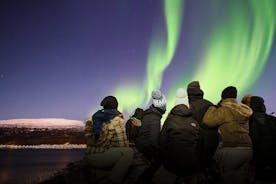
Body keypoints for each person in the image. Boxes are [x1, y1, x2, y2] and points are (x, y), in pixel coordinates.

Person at [203, 86, 253, 184]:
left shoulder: (224, 110)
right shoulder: (243, 111)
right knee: (241, 177)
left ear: (223, 97)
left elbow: (207, 121)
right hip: (248, 149)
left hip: (231, 149)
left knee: (227, 178)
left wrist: (212, 107)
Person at [84, 95, 133, 184]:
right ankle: (113, 180)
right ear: (116, 106)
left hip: (89, 157)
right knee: (129, 152)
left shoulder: (91, 119)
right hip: (100, 158)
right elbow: (123, 144)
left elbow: (91, 140)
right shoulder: (117, 120)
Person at [159, 88, 202, 183]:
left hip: (172, 164)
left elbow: (162, 143)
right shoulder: (194, 121)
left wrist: (165, 160)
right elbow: (200, 143)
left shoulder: (169, 121)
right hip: (192, 163)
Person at [187, 81, 218, 181]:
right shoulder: (210, 104)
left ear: (189, 93)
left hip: (199, 144)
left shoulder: (191, 107)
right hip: (214, 142)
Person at [135, 89, 166, 183]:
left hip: (140, 143)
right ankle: (145, 178)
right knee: (161, 159)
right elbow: (153, 140)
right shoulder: (155, 117)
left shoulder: (148, 115)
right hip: (145, 146)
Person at [248, 96, 276, 182]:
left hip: (258, 156)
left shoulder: (248, 120)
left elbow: (254, 139)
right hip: (272, 154)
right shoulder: (272, 119)